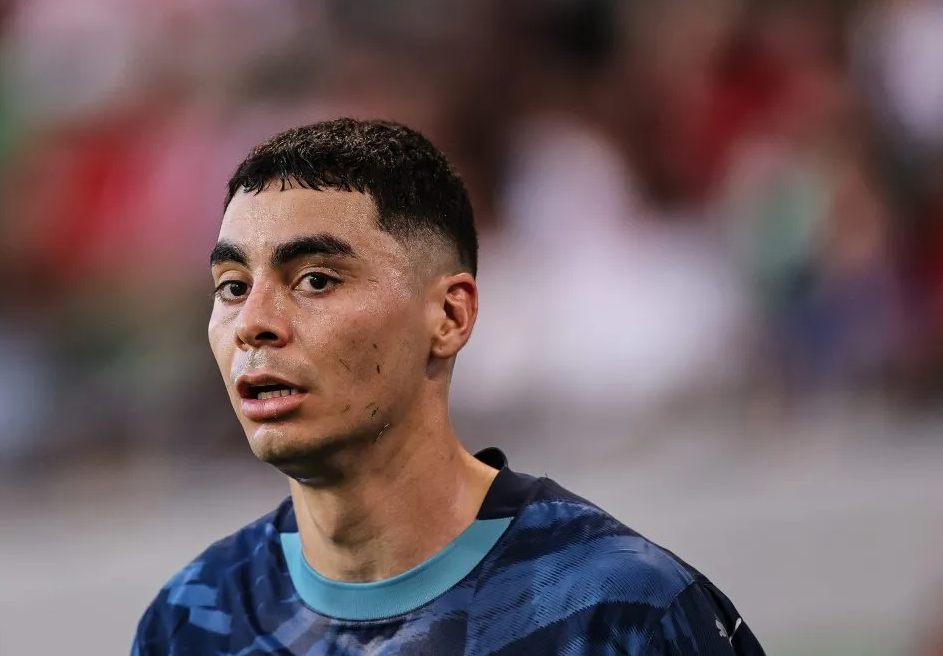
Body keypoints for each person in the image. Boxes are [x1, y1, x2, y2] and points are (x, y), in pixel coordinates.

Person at [131, 118, 766, 655]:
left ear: (450, 316)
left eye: (316, 280)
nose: (253, 324)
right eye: (233, 287)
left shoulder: (622, 612)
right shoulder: (189, 625)